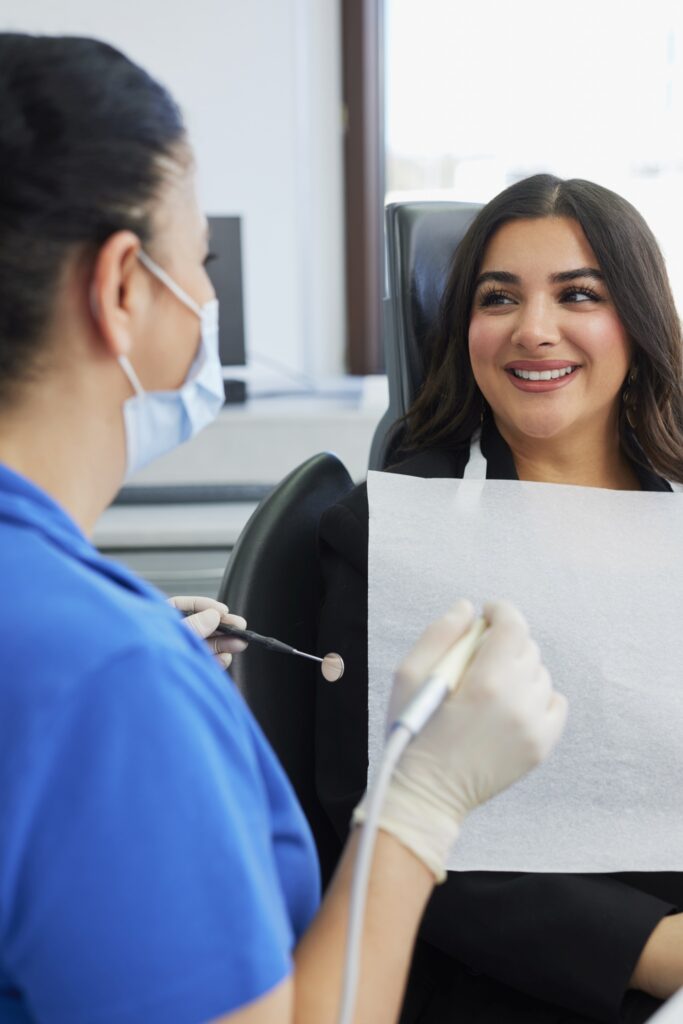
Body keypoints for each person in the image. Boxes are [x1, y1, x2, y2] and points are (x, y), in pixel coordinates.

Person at [0, 34, 568, 1024]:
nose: (209, 302)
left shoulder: (86, 642)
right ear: (124, 287)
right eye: (201, 264)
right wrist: (418, 799)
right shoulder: (98, 672)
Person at [316, 174, 683, 1024]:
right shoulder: (390, 531)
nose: (534, 330)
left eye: (578, 294)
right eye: (498, 298)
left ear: (636, 318)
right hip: (531, 984)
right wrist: (656, 950)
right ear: (464, 330)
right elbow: (379, 824)